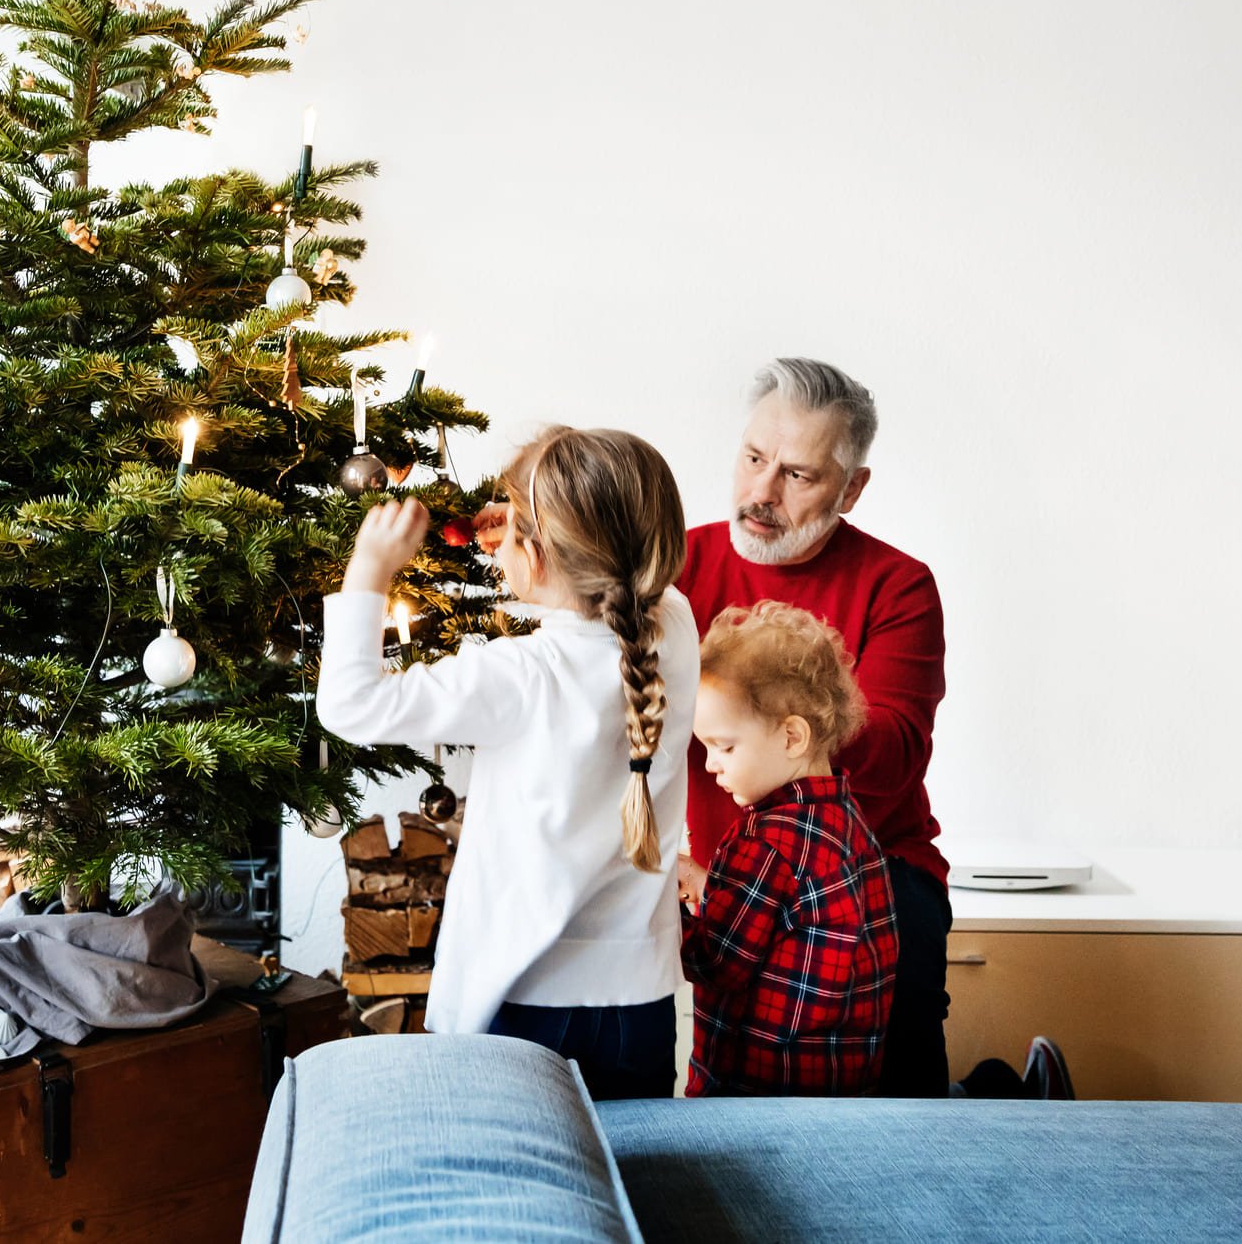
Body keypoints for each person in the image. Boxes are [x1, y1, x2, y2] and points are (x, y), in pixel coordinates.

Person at [317, 427, 698, 1099]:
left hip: (521, 1003)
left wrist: (369, 570)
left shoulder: (521, 675)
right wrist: (536, 528)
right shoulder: (674, 628)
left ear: (541, 554)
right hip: (638, 1002)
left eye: (514, 525)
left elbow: (349, 705)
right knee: (632, 1177)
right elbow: (606, 566)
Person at [677, 358, 951, 1096]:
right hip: (728, 866)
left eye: (797, 475)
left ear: (851, 489)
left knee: (895, 1065)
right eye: (754, 458)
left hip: (872, 867)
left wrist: (783, 696)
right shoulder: (671, 567)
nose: (761, 493)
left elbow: (891, 761)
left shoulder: (899, 586)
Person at [675, 601, 898, 1096]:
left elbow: (715, 962)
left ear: (792, 735)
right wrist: (709, 888)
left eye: (724, 746)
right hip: (840, 1083)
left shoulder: (762, 843)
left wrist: (663, 911)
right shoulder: (848, 821)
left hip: (758, 1093)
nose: (710, 765)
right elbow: (789, 920)